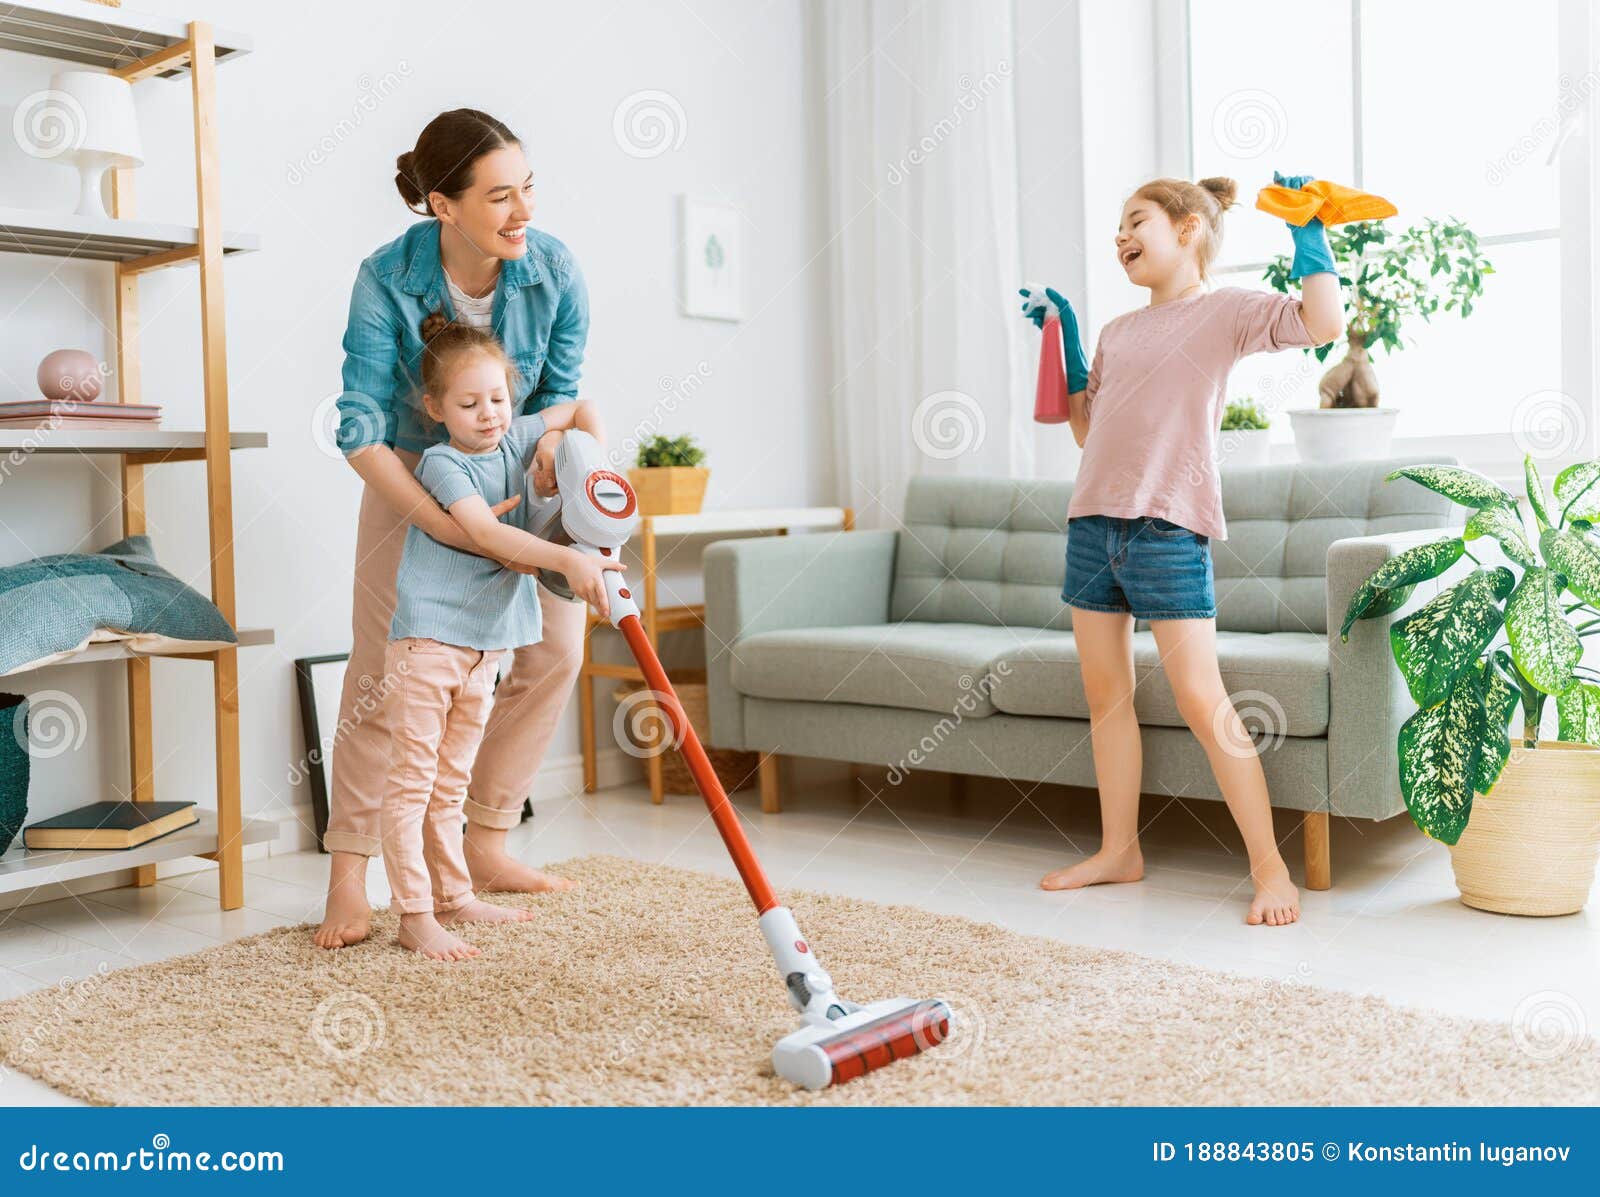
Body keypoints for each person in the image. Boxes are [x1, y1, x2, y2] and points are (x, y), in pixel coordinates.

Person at [1020, 172, 1344, 926]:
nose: (1121, 238)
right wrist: (1067, 339)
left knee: (1203, 699)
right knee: (1106, 700)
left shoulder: (1222, 312)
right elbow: (1085, 431)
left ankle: (1272, 871)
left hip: (1169, 527)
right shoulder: (1118, 333)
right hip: (1091, 526)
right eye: (1117, 230)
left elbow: (1322, 324)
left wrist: (1308, 235)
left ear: (1189, 227)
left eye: (1136, 222)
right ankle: (1117, 852)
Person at [317, 108, 592, 950]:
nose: (523, 212)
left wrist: (546, 444)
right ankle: (347, 877)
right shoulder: (387, 277)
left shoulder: (552, 268)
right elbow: (359, 424)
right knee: (383, 677)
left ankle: (483, 843)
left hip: (515, 468)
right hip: (408, 471)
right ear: (444, 205)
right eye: (500, 196)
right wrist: (448, 521)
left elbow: (564, 388)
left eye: (528, 189)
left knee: (554, 649)